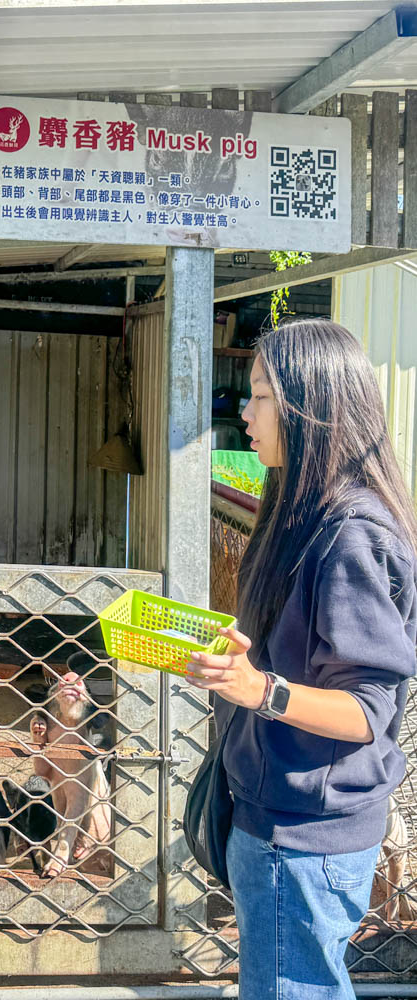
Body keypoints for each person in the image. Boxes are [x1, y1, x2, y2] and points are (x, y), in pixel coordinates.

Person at [185, 319, 416, 1000]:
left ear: (308, 406)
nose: (243, 411)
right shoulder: (296, 510)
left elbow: (364, 714)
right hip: (276, 820)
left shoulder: (349, 536)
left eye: (259, 395)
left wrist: (260, 690)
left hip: (305, 835)